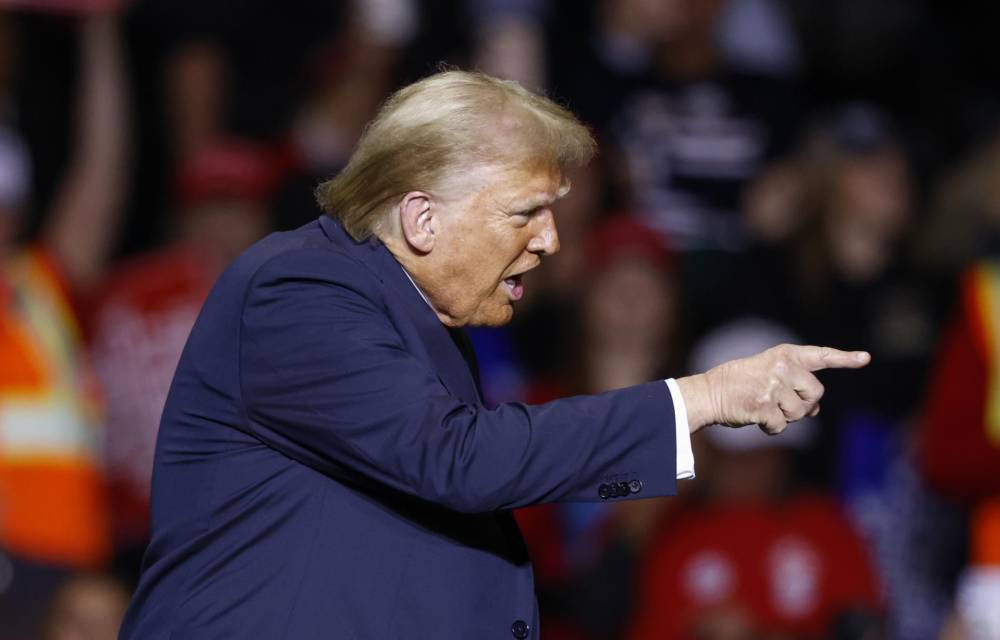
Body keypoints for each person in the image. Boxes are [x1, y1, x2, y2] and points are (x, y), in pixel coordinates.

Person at [119, 70, 869, 639]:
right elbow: (459, 462)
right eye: (526, 212)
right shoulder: (301, 287)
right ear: (421, 218)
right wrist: (701, 399)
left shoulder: (414, 318)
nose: (549, 241)